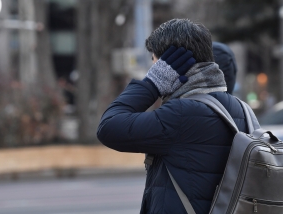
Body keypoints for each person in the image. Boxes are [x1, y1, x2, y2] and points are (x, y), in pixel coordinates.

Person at [97, 19, 248, 214]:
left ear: (166, 65)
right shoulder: (240, 108)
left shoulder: (182, 113)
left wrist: (152, 83)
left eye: (154, 61)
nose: (152, 68)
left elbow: (108, 127)